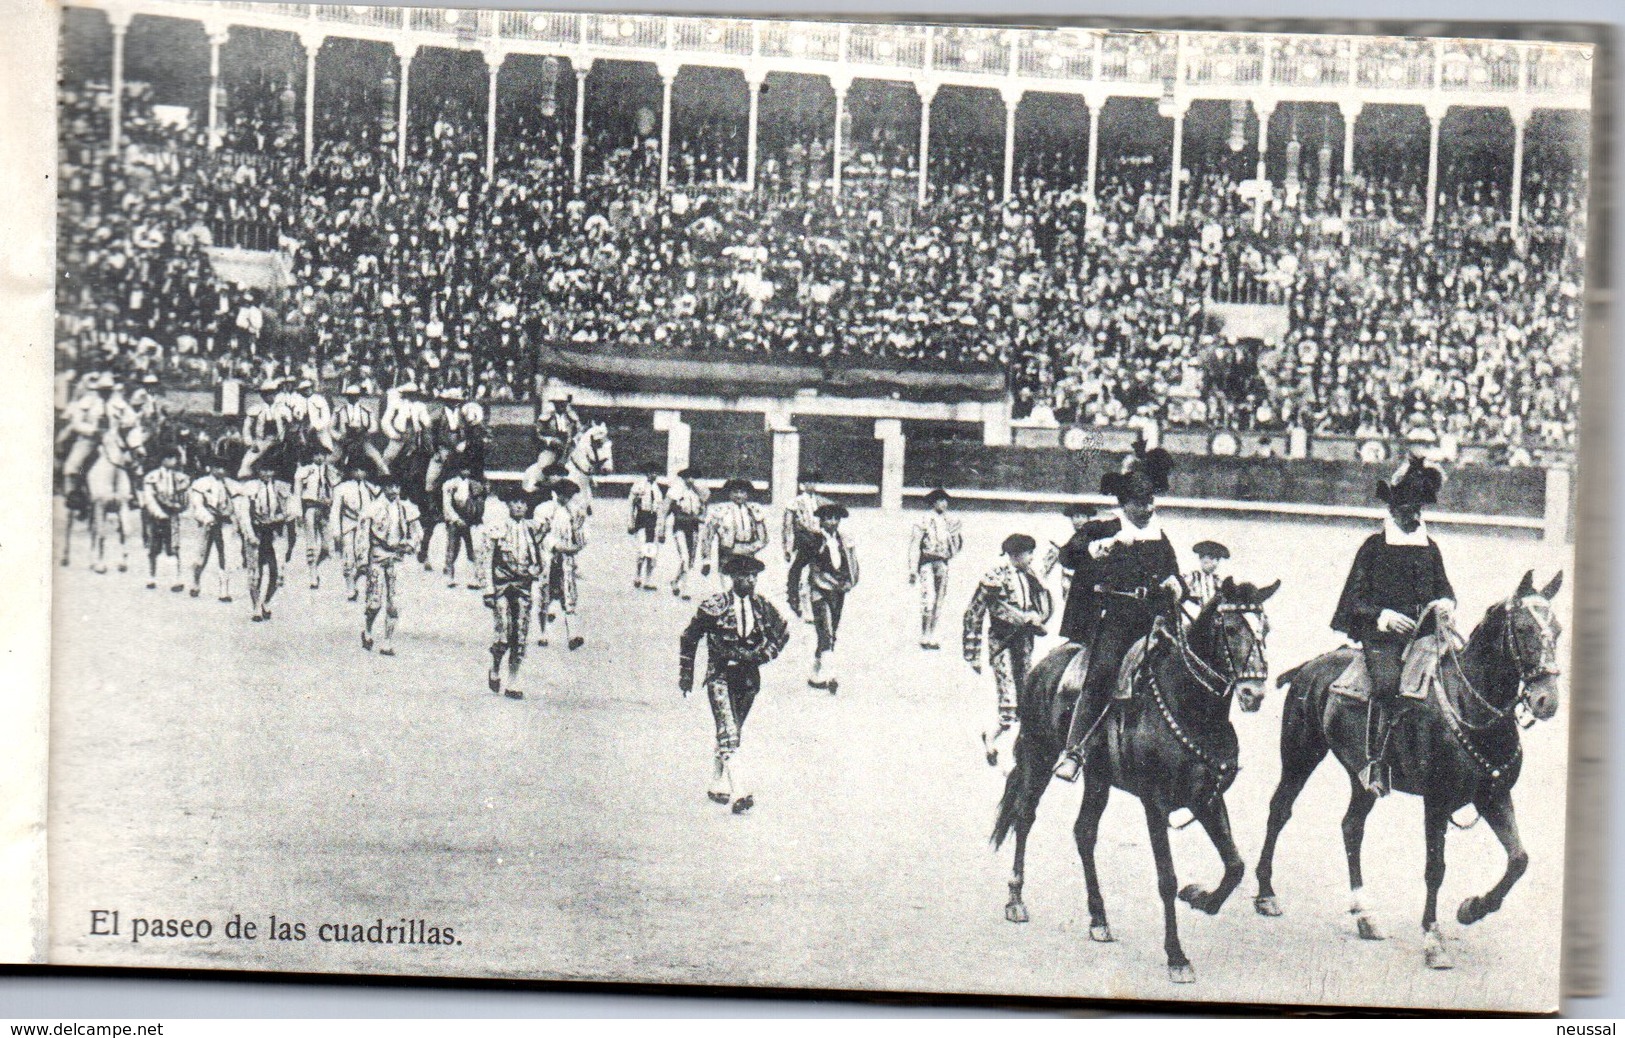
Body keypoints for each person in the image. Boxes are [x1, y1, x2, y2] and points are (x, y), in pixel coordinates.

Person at [1052, 448, 1184, 783]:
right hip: (1117, 618)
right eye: (1140, 503)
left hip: (1156, 618)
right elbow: (1068, 555)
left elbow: (1175, 571)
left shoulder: (1157, 533)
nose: (1147, 509)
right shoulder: (1103, 528)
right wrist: (1098, 549)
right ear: (1125, 504)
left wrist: (1176, 583)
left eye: (1150, 501)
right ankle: (1075, 750)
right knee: (1104, 671)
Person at [1331, 456, 1456, 797]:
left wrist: (1446, 603)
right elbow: (1352, 601)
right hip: (1382, 640)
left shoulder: (1430, 548)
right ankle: (1376, 763)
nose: (1415, 516)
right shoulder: (1373, 548)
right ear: (1394, 508)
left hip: (1426, 637)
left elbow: (1444, 588)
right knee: (1387, 685)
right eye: (1409, 509)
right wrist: (1383, 617)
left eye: (1419, 509)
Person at [678, 554, 791, 814]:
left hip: (749, 678)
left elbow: (782, 632)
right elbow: (689, 637)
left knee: (733, 731)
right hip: (720, 675)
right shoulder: (714, 606)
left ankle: (717, 782)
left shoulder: (762, 606)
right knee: (729, 731)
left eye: (753, 576)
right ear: (732, 578)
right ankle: (740, 790)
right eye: (744, 576)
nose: (750, 580)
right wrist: (687, 675)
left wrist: (765, 655)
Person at [963, 533, 1053, 769]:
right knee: (1009, 697)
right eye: (1028, 553)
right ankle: (993, 741)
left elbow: (1042, 606)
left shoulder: (1031, 576)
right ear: (1015, 555)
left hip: (1022, 642)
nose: (1032, 558)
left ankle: (1014, 749)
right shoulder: (995, 577)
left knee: (1026, 694)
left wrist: (1036, 617)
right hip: (1002, 641)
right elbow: (974, 613)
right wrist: (972, 653)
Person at [484, 485, 545, 700]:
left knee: (520, 634)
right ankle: (495, 666)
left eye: (523, 502)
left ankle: (513, 681)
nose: (519, 506)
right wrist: (488, 589)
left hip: (523, 587)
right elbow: (488, 559)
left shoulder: (533, 529)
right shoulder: (498, 527)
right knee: (502, 636)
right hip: (501, 587)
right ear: (508, 505)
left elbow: (539, 560)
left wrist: (535, 570)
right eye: (515, 502)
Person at [359, 473, 423, 655]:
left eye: (397, 487)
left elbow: (418, 532)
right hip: (377, 557)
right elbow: (363, 536)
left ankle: (387, 642)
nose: (394, 490)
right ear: (383, 488)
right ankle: (368, 630)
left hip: (396, 556)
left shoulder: (406, 508)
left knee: (394, 603)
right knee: (374, 603)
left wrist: (411, 544)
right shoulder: (373, 508)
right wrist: (363, 560)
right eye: (390, 487)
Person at [806, 503, 860, 692]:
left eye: (836, 518)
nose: (833, 522)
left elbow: (851, 563)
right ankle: (830, 676)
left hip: (838, 591)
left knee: (830, 632)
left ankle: (815, 672)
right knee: (826, 630)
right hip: (819, 590)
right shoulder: (814, 539)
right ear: (821, 520)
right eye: (828, 518)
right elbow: (814, 569)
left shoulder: (843, 540)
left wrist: (849, 582)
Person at [534, 478, 587, 651]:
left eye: (569, 495)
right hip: (548, 557)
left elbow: (582, 538)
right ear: (556, 493)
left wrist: (578, 537)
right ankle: (543, 633)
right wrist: (560, 547)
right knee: (545, 594)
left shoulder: (575, 512)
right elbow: (540, 537)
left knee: (569, 594)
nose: (566, 498)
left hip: (566, 558)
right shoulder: (543, 510)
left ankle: (572, 635)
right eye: (563, 494)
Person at [238, 456, 292, 623]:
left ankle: (266, 602)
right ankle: (256, 606)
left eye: (270, 470)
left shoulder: (281, 488)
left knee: (277, 573)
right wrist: (250, 535)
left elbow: (292, 511)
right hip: (256, 532)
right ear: (258, 471)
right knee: (255, 572)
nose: (267, 473)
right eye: (263, 470)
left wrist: (277, 519)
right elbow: (244, 515)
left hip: (274, 533)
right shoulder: (249, 488)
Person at [908, 488, 963, 649]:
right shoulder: (924, 520)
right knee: (928, 598)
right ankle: (924, 634)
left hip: (942, 563)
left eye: (945, 500)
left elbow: (956, 546)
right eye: (940, 500)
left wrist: (955, 537)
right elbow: (915, 544)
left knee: (939, 599)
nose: (943, 504)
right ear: (933, 502)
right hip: (926, 562)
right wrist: (912, 569)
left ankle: (932, 633)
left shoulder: (949, 522)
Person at [187, 445, 238, 602]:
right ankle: (195, 581)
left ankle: (224, 590)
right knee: (201, 556)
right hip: (207, 523)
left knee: (226, 555)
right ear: (211, 468)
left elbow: (237, 503)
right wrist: (207, 518)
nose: (221, 471)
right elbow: (197, 505)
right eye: (218, 467)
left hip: (224, 523)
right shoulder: (200, 484)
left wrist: (233, 515)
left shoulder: (230, 484)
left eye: (224, 468)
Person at [138, 448, 190, 592]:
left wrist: (179, 508)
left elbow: (184, 498)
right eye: (171, 458)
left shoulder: (180, 478)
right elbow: (149, 499)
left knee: (173, 546)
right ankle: (151, 577)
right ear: (164, 460)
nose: (174, 461)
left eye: (175, 458)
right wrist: (158, 513)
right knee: (154, 546)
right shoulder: (152, 477)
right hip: (155, 517)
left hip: (172, 515)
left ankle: (175, 579)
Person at [701, 478, 770, 587]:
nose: (738, 495)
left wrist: (753, 548)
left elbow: (764, 537)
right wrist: (706, 560)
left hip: (749, 554)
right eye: (735, 492)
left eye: (742, 492)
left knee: (748, 588)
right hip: (728, 554)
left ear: (747, 494)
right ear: (729, 493)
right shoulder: (721, 511)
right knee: (729, 589)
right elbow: (708, 535)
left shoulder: (753, 510)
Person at [781, 471, 829, 620]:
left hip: (819, 541)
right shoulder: (795, 503)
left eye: (813, 482)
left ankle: (816, 605)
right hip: (803, 542)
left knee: (817, 573)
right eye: (807, 482)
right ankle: (802, 606)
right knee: (802, 574)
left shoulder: (821, 502)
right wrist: (787, 548)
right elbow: (787, 527)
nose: (811, 485)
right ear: (801, 485)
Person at [293, 445, 341, 589]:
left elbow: (335, 487)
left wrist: (331, 500)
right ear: (312, 456)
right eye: (317, 455)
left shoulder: (329, 471)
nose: (320, 458)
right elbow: (298, 493)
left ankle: (316, 566)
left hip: (325, 508)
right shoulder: (305, 471)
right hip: (310, 507)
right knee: (311, 542)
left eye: (322, 455)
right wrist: (299, 513)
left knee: (327, 544)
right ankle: (312, 572)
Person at [330, 465, 377, 602]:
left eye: (362, 469)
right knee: (349, 557)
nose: (359, 472)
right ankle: (350, 588)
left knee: (365, 559)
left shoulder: (370, 487)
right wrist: (336, 531)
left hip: (365, 527)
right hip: (348, 527)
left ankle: (360, 581)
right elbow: (335, 511)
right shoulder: (341, 488)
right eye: (356, 469)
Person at [661, 467, 708, 599]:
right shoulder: (675, 491)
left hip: (693, 527)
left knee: (690, 560)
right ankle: (685, 589)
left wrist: (702, 517)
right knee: (685, 558)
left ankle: (675, 581)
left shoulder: (699, 492)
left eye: (693, 477)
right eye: (687, 477)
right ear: (683, 478)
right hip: (680, 527)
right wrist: (661, 529)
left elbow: (704, 506)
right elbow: (665, 510)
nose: (690, 480)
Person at [440, 465, 484, 589]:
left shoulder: (475, 485)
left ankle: (474, 578)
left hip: (469, 520)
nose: (466, 470)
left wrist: (475, 518)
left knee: (472, 548)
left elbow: (479, 504)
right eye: (463, 468)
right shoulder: (449, 484)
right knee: (452, 547)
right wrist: (455, 519)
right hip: (455, 520)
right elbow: (447, 504)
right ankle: (449, 575)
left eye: (468, 468)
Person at [1042, 502, 1095, 600]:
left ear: (1088, 519)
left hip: (1088, 581)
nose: (1078, 520)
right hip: (1075, 581)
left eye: (1082, 516)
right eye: (1075, 516)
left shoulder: (1092, 537)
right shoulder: (1074, 538)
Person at [627, 461, 666, 590]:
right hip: (642, 517)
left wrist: (661, 529)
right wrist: (630, 522)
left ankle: (648, 580)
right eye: (651, 472)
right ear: (647, 473)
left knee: (652, 551)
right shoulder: (638, 486)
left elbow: (660, 510)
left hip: (653, 519)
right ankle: (638, 575)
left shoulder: (658, 489)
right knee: (641, 549)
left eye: (656, 472)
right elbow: (631, 505)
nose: (654, 475)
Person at [332, 385, 387, 475]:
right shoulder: (339, 410)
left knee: (378, 459)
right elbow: (331, 428)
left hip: (362, 440)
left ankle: (384, 480)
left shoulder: (367, 410)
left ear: (358, 397)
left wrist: (366, 433)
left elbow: (374, 426)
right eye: (350, 395)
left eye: (355, 395)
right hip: (344, 441)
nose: (353, 398)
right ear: (346, 396)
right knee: (331, 460)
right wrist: (339, 437)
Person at [1184, 540, 1230, 609]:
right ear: (1201, 558)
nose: (1214, 563)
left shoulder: (1218, 582)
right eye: (1211, 558)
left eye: (1217, 559)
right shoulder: (1191, 579)